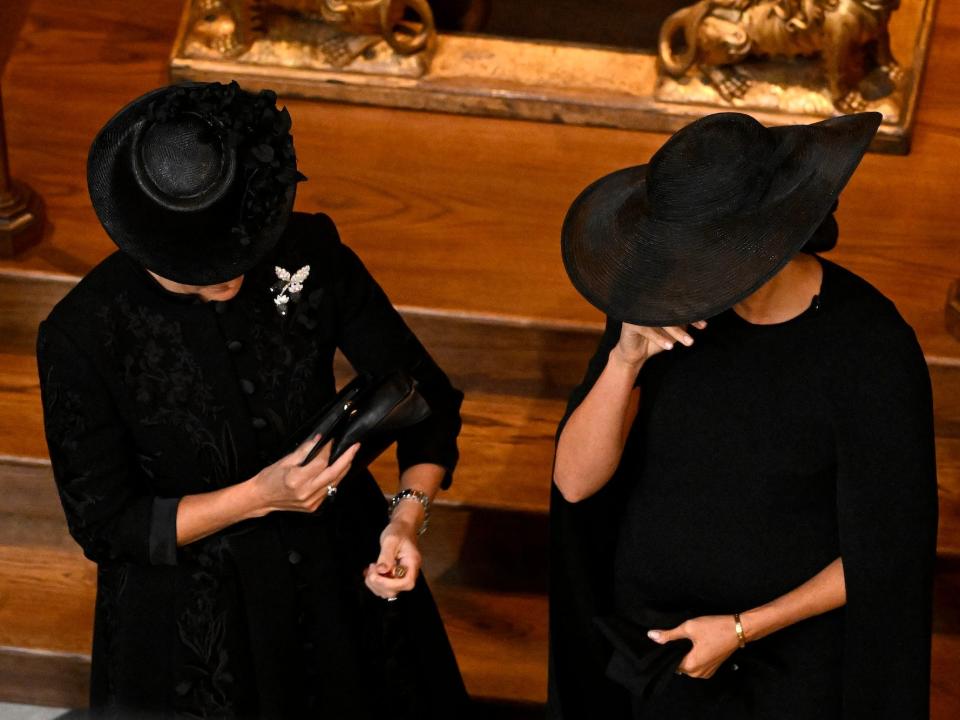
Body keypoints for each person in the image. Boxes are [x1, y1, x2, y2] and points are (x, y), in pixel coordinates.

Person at [37, 81, 469, 718]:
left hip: (340, 570)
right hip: (194, 616)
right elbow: (107, 525)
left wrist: (406, 516)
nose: (233, 274)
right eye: (205, 267)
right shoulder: (81, 333)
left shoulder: (308, 250)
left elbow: (426, 395)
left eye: (243, 252)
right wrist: (259, 498)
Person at [549, 111, 938, 719]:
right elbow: (575, 483)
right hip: (654, 646)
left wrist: (740, 628)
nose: (685, 271)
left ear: (767, 240)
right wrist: (625, 360)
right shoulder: (661, 304)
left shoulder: (868, 347)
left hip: (789, 665)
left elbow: (891, 548)